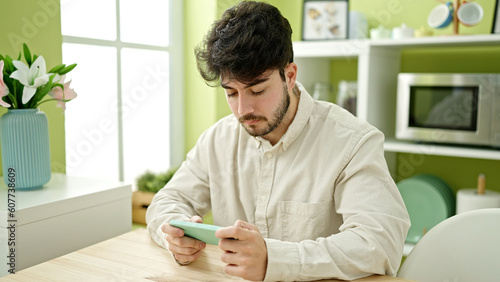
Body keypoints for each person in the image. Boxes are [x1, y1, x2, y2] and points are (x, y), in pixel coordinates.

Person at [146, 1, 410, 281]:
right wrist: (173, 234)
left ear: (290, 76)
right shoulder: (218, 139)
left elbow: (380, 243)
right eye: (232, 93)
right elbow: (168, 200)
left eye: (257, 90)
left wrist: (276, 260)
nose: (242, 110)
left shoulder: (352, 142)